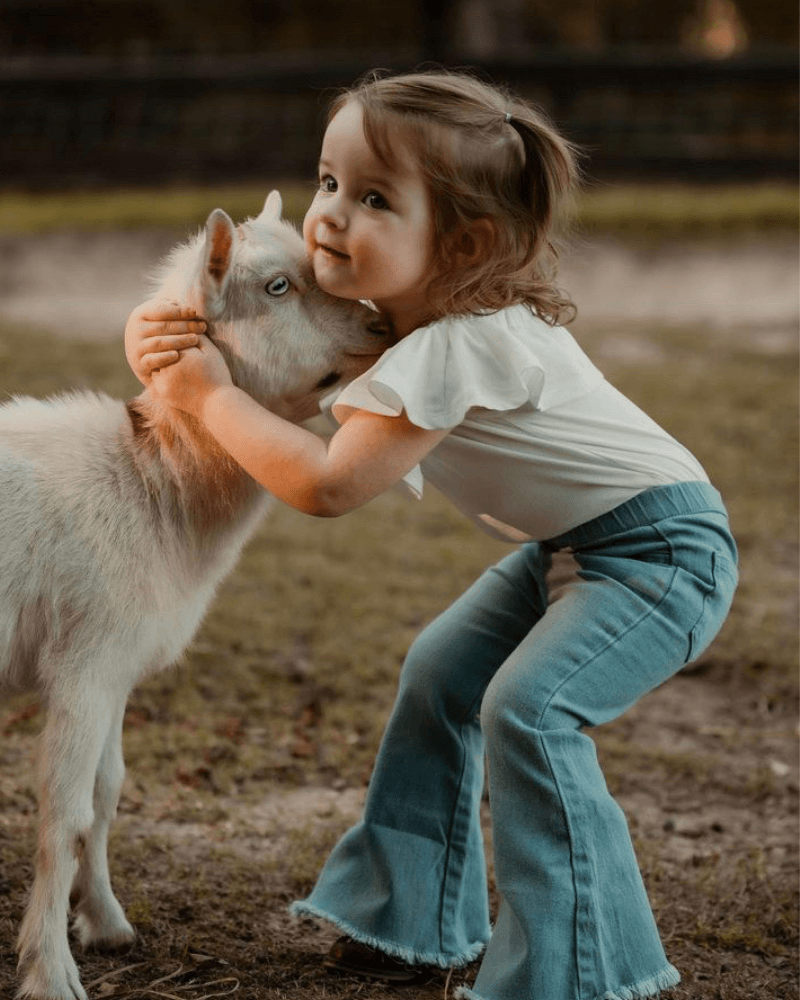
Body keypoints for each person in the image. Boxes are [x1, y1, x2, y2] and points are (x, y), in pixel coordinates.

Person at [124, 69, 738, 1000]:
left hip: (660, 557)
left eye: (374, 198)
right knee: (441, 676)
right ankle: (408, 921)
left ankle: (581, 972)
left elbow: (326, 485)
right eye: (329, 181)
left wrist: (202, 395)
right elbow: (250, 324)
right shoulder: (396, 327)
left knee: (528, 711)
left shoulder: (461, 342)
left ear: (466, 243)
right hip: (570, 551)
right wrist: (161, 336)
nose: (330, 214)